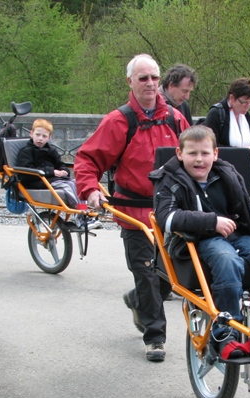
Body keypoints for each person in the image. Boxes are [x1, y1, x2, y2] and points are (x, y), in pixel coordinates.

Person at [74, 54, 190, 362]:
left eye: (154, 77)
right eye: (143, 78)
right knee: (147, 272)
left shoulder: (176, 119)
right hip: (133, 214)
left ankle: (136, 300)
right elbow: (87, 159)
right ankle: (155, 337)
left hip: (169, 213)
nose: (150, 84)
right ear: (131, 82)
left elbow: (194, 157)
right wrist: (90, 191)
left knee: (169, 275)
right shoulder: (119, 121)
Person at [149, 125, 250, 359]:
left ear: (215, 154)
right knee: (228, 260)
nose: (199, 159)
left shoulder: (226, 174)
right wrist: (211, 221)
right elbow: (167, 217)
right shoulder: (169, 179)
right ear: (179, 153)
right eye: (192, 153)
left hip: (236, 235)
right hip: (198, 240)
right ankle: (226, 333)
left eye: (205, 153)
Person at [201, 77, 250, 160]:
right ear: (232, 98)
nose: (247, 107)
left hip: (242, 169)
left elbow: (249, 147)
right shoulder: (217, 113)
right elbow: (209, 146)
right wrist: (243, 152)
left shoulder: (246, 116)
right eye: (244, 102)